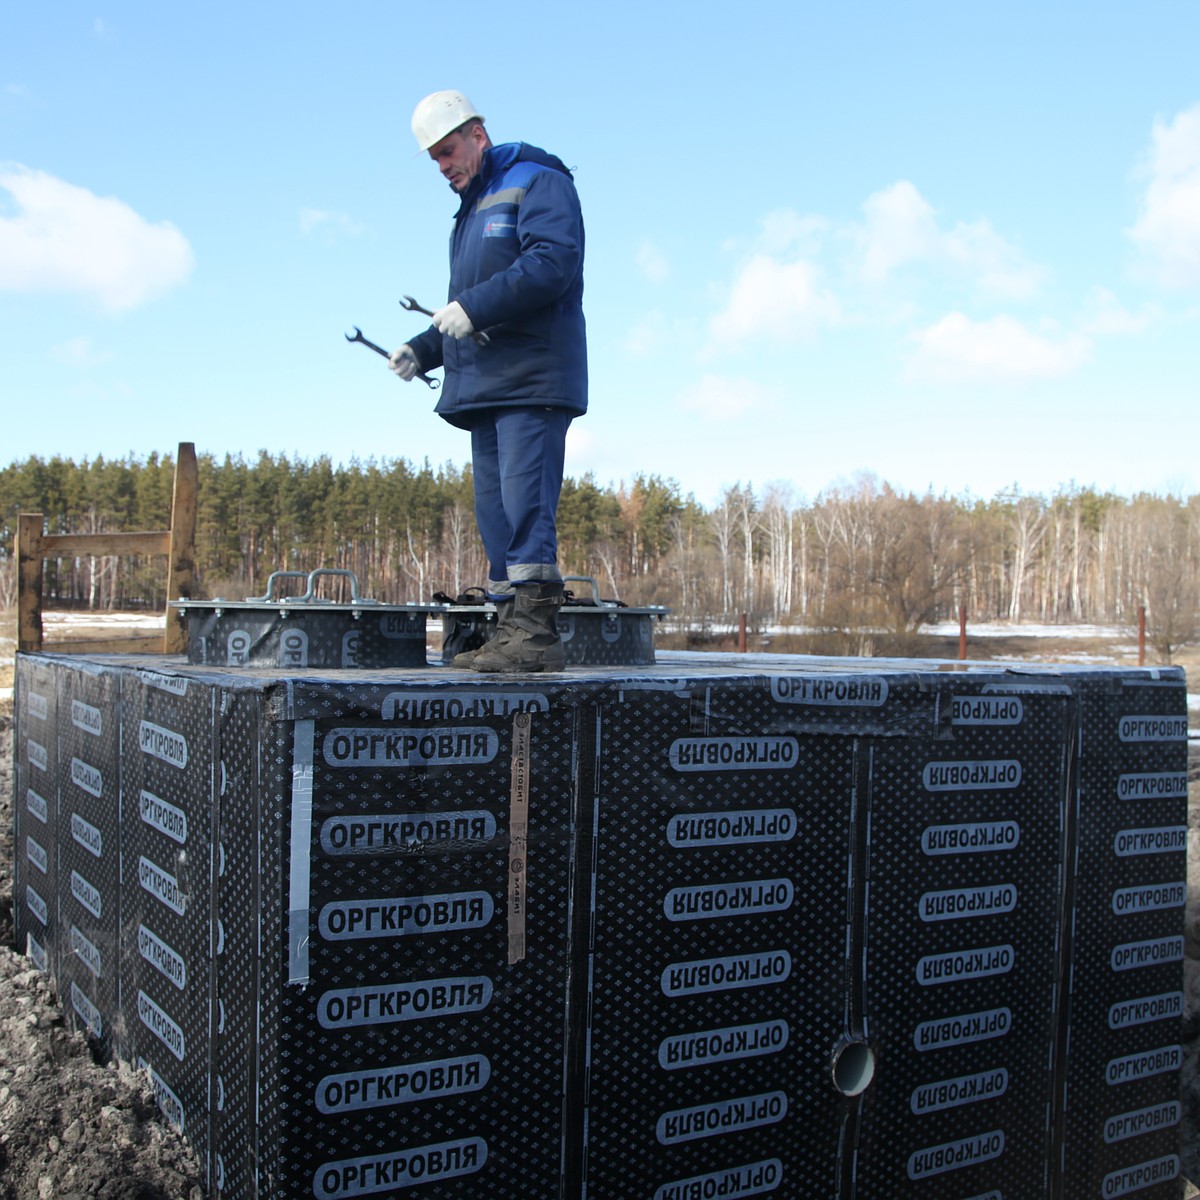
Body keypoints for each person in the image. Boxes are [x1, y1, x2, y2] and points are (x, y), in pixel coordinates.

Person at [390, 90, 587, 673]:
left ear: (478, 133)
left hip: (532, 378)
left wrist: (472, 306)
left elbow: (552, 263)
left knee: (526, 507)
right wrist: (422, 350)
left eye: (449, 151)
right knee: (495, 514)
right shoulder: (470, 209)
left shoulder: (537, 181)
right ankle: (508, 629)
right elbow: (464, 309)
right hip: (486, 386)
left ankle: (535, 635)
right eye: (434, 159)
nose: (444, 166)